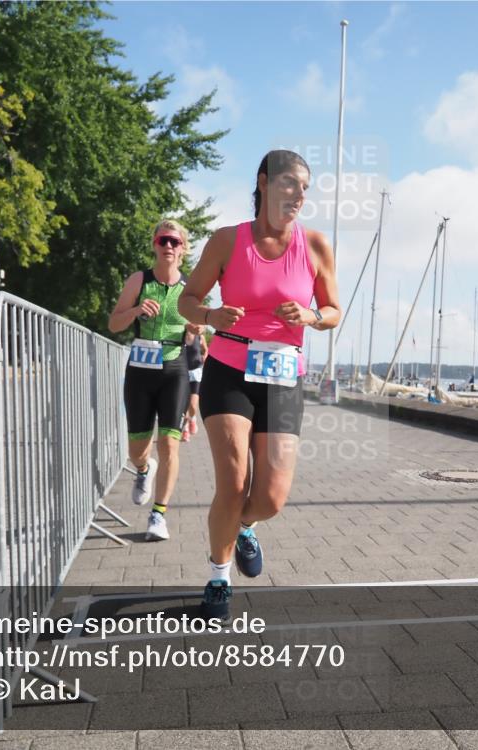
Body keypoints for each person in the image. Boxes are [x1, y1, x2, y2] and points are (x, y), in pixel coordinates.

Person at [179, 150, 340, 619]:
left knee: (270, 497)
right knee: (233, 484)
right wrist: (210, 315)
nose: (299, 195)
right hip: (228, 369)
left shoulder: (315, 245)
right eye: (290, 183)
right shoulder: (227, 240)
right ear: (264, 183)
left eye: (305, 188)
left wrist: (311, 316)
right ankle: (218, 577)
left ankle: (244, 526)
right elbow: (188, 301)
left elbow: (334, 311)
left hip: (282, 376)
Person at [108, 219, 199, 542]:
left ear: (183, 248)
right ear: (154, 245)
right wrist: (134, 311)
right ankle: (144, 469)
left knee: (170, 443)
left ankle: (158, 515)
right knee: (137, 450)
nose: (169, 246)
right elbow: (114, 324)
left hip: (175, 370)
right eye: (163, 241)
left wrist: (195, 392)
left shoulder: (191, 287)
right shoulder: (139, 280)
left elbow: (196, 345)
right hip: (140, 370)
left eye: (175, 242)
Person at [181, 329, 207, 442]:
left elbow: (205, 350)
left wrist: (204, 356)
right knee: (184, 405)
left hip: (196, 372)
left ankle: (193, 418)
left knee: (193, 404)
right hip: (182, 372)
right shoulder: (180, 335)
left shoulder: (199, 336)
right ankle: (185, 430)